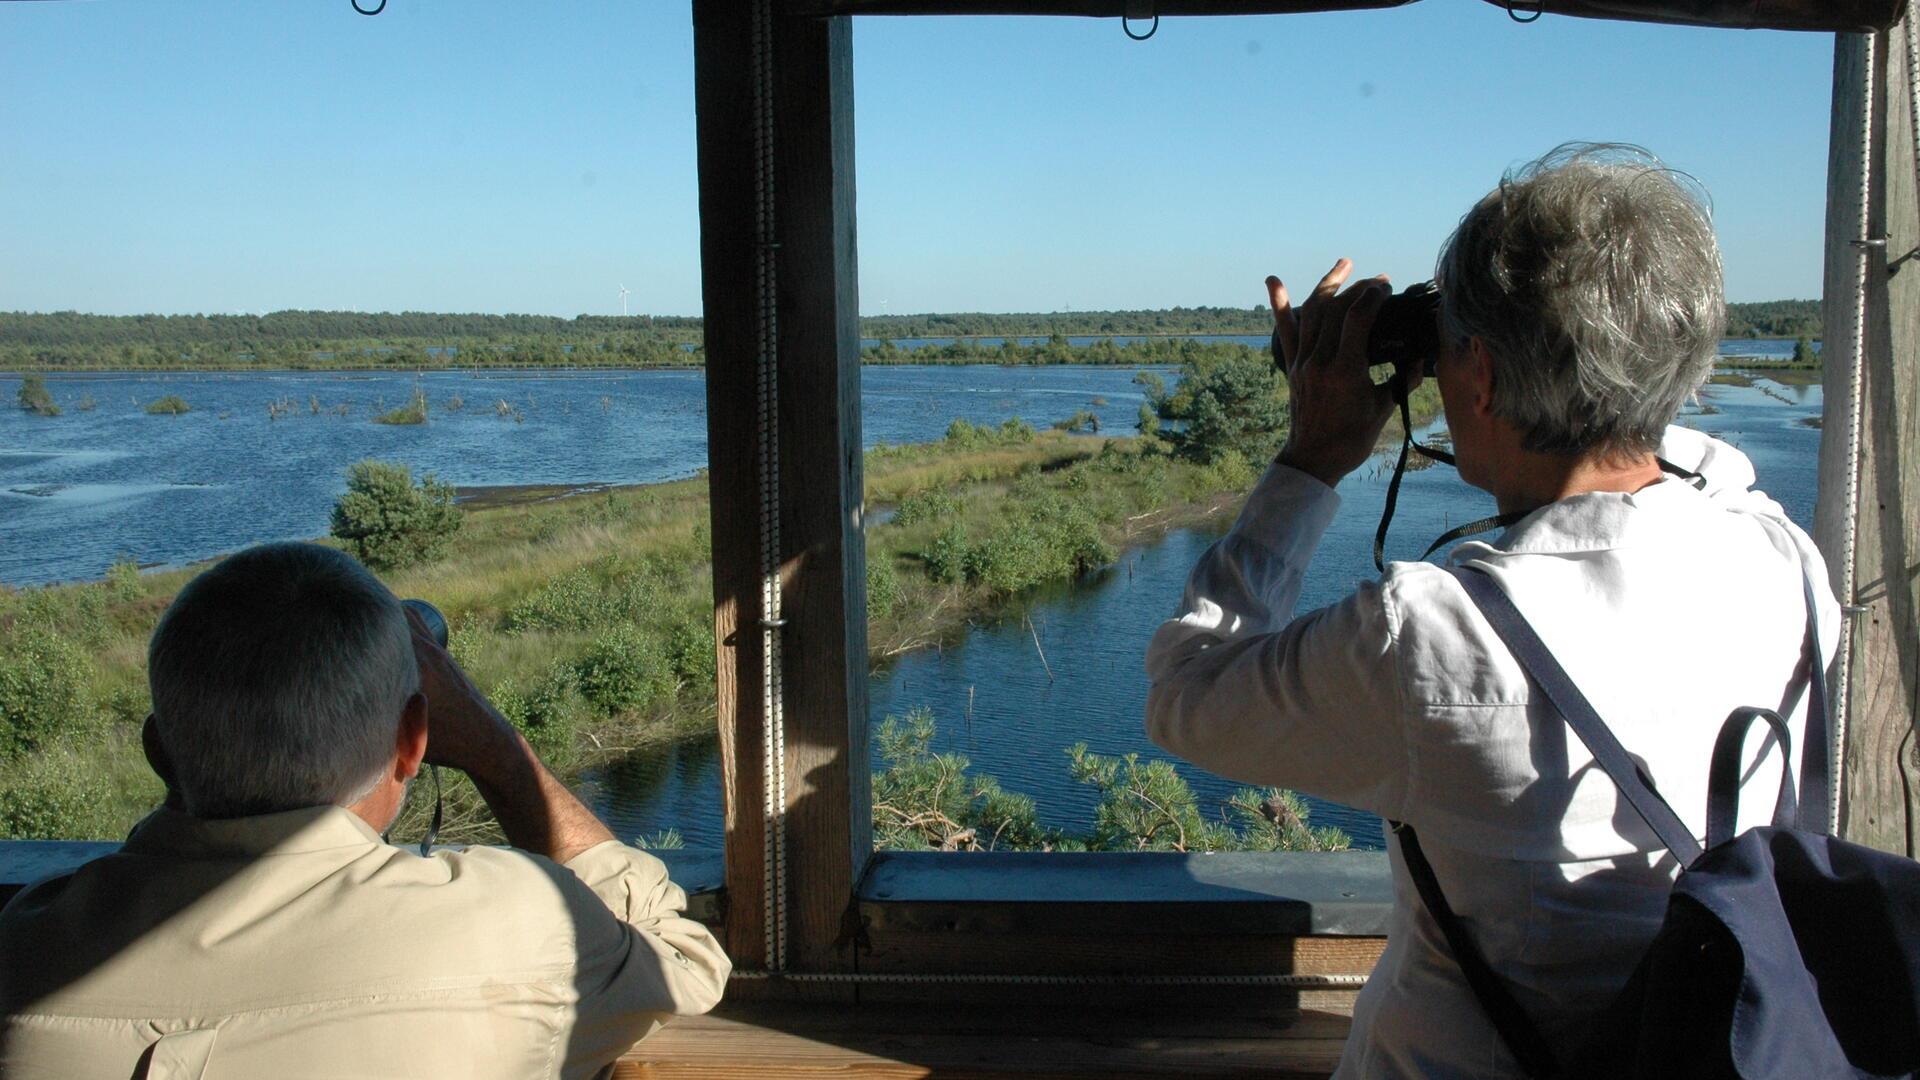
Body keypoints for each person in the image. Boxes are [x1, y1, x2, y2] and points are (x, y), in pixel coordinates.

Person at [1144, 144, 1839, 1078]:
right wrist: (1579, 360)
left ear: (1476, 378)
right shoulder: (1782, 561)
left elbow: (1187, 693)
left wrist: (1310, 456)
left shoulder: (1436, 635)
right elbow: (1695, 459)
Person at [0, 541, 730, 1079]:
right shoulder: (508, 930)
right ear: (415, 741)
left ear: (158, 751)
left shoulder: (27, 947)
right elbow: (684, 964)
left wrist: (204, 773)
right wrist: (494, 747)